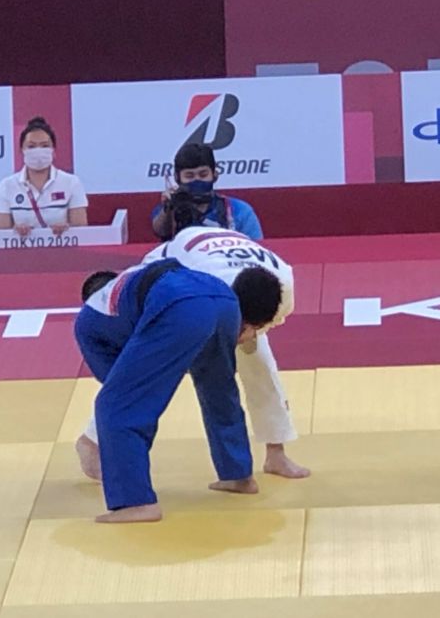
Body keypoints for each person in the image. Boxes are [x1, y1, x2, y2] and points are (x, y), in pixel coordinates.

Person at [77, 223, 311, 482]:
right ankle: (91, 441)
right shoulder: (203, 287)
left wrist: (250, 333)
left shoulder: (283, 286)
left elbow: (263, 322)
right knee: (148, 370)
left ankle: (276, 453)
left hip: (217, 260)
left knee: (259, 362)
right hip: (170, 267)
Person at [76, 260, 283, 523]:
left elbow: (117, 382)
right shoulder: (127, 282)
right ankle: (238, 475)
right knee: (219, 389)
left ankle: (135, 502)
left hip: (178, 305)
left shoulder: (87, 322)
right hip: (224, 298)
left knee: (115, 405)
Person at [0, 117, 88, 236]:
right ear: (22, 150)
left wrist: (67, 229)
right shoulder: (6, 186)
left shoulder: (71, 182)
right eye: (31, 146)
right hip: (20, 248)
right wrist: (15, 231)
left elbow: (81, 230)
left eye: (44, 146)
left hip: (63, 247)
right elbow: (1, 234)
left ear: (53, 150)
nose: (38, 151)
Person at [151, 143, 262, 241]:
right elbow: (161, 231)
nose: (197, 180)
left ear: (215, 175)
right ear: (177, 178)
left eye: (203, 175)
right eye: (189, 176)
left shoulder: (240, 210)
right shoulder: (167, 210)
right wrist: (169, 207)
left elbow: (258, 248)